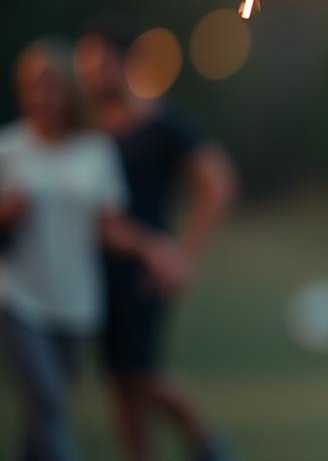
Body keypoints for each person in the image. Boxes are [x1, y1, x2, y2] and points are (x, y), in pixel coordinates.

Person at [0, 39, 182, 461]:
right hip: (18, 300)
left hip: (75, 304)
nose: (41, 96)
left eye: (50, 85)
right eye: (32, 85)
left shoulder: (94, 151)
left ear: (68, 90)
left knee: (41, 414)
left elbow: (109, 228)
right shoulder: (9, 150)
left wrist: (151, 247)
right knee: (48, 402)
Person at [73, 25, 236, 461]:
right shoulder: (88, 130)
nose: (90, 74)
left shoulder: (160, 123)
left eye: (100, 63)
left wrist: (185, 254)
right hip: (96, 266)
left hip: (147, 269)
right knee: (120, 381)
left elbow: (216, 180)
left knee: (142, 373)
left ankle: (208, 445)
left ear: (124, 64)